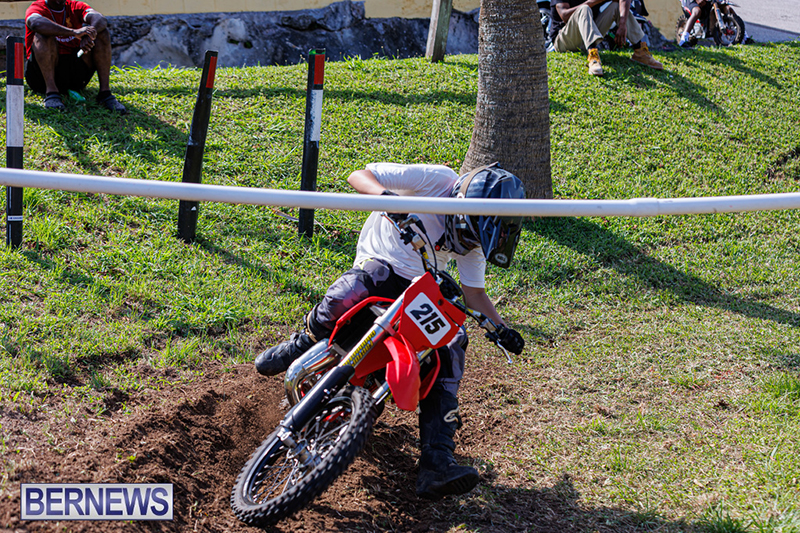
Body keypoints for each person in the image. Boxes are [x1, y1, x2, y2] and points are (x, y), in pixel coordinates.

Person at [255, 162, 526, 500]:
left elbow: (474, 294)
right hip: (380, 268)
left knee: (451, 343)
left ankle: (436, 462)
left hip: (419, 291)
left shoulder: (470, 246)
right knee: (355, 288)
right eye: (469, 232)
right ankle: (302, 342)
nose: (468, 242)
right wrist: (389, 200)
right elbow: (358, 174)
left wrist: (502, 329)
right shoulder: (438, 180)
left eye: (477, 237)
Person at [24, 0, 127, 113]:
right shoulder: (37, 7)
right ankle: (51, 92)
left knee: (102, 33)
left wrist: (89, 35)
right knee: (43, 35)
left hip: (73, 75)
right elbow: (36, 23)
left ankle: (105, 93)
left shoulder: (75, 6)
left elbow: (100, 19)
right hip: (40, 78)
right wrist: (74, 32)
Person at [549, 0, 663, 76]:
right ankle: (593, 56)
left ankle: (640, 52)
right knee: (584, 8)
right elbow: (564, 15)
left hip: (586, 36)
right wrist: (592, 1)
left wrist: (622, 24)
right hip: (564, 40)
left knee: (616, 6)